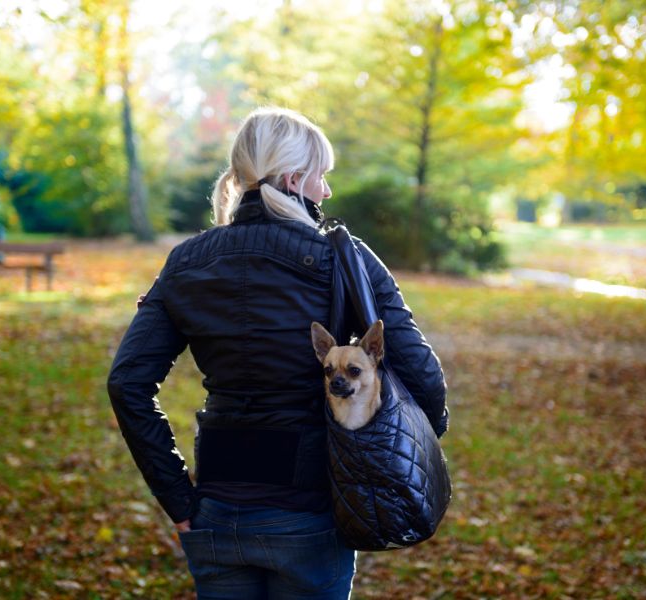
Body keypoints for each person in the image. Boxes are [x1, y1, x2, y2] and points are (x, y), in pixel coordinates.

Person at [107, 107, 448, 600]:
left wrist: (178, 501)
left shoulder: (185, 260)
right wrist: (408, 450)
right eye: (322, 177)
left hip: (215, 510)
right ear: (293, 178)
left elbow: (127, 383)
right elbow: (424, 376)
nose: (326, 192)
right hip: (310, 510)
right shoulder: (344, 258)